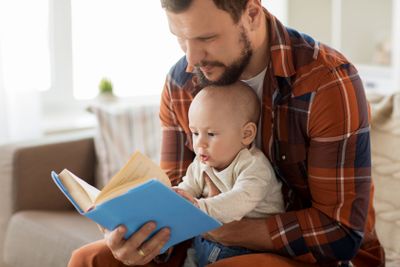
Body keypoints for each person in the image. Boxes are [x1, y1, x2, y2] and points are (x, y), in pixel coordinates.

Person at [68, 0, 385, 266]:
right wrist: (141, 237)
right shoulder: (181, 83)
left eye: (206, 38)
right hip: (205, 239)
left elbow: (340, 234)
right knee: (90, 259)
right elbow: (178, 193)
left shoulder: (326, 82)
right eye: (180, 38)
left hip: (310, 257)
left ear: (251, 13)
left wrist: (218, 227)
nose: (191, 60)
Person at [173, 82, 284, 267]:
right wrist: (174, 197)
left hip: (247, 248)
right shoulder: (202, 161)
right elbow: (189, 186)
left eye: (211, 133)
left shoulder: (254, 166)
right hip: (204, 242)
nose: (200, 143)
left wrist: (201, 209)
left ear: (246, 134)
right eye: (194, 133)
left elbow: (239, 200)